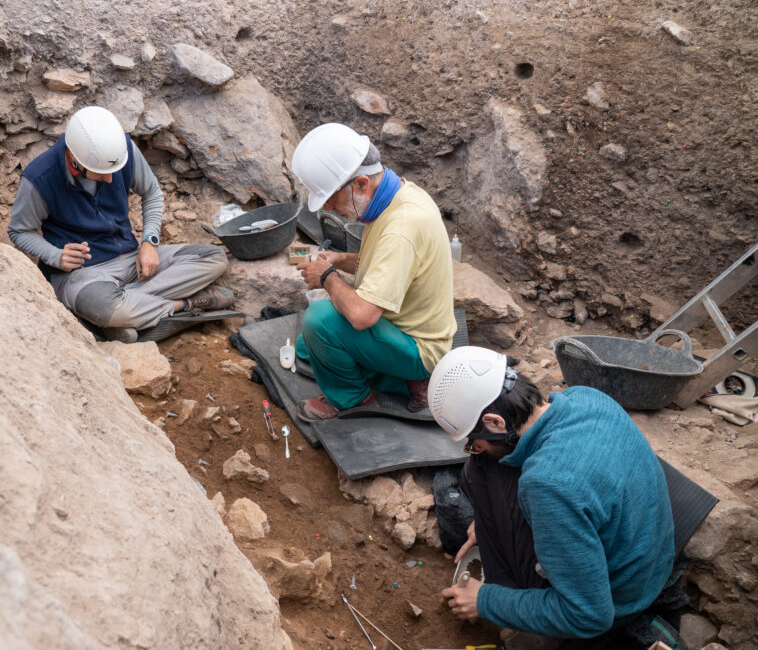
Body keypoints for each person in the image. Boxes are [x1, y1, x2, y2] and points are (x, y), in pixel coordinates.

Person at [430, 346, 677, 650]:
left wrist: (486, 600)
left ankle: (525, 628)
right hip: (647, 563)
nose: (474, 447)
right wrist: (485, 526)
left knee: (481, 466)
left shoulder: (548, 484)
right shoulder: (587, 397)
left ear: (495, 422)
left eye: (474, 440)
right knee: (485, 464)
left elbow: (589, 615)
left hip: (618, 600)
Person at [7, 106, 233, 343]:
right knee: (103, 306)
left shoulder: (121, 150)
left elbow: (152, 192)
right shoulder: (40, 178)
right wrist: (55, 256)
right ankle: (183, 306)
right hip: (83, 275)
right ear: (75, 160)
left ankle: (124, 316)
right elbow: (20, 231)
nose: (110, 179)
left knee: (214, 258)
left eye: (114, 170)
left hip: (131, 258)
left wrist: (149, 242)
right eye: (101, 172)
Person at [289, 122, 456, 421]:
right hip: (399, 328)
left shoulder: (401, 228)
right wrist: (339, 259)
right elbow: (387, 266)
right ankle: (397, 378)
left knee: (319, 322)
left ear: (361, 183)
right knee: (306, 347)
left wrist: (327, 277)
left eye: (331, 198)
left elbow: (362, 316)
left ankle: (355, 398)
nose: (327, 208)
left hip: (418, 348)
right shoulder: (399, 196)